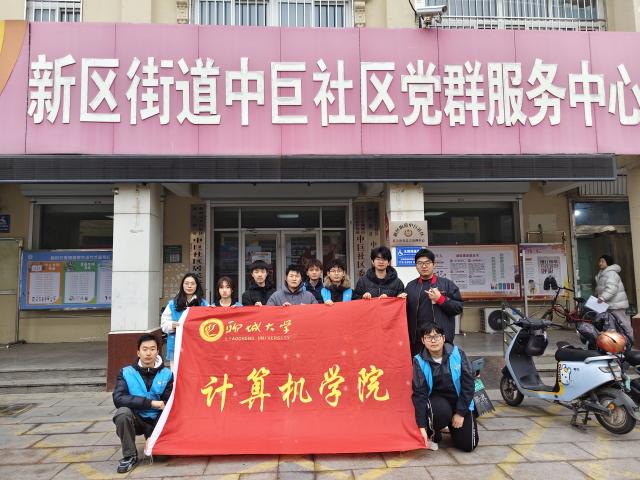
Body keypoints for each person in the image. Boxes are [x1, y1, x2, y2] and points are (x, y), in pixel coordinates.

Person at [412, 323, 478, 453]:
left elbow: (468, 384)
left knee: (468, 445)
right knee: (440, 410)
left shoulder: (458, 354)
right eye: (428, 337)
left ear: (443, 338)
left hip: (459, 401)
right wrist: (422, 427)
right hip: (437, 404)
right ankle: (434, 432)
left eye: (436, 336)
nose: (433, 340)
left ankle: (453, 426)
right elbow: (419, 394)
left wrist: (460, 413)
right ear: (423, 341)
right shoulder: (419, 361)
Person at [112, 334, 173, 473]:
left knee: (161, 458)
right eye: (145, 349)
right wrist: (150, 403)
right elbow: (119, 398)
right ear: (138, 352)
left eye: (152, 349)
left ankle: (153, 440)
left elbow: (167, 406)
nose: (148, 353)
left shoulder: (167, 374)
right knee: (122, 413)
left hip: (157, 421)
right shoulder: (126, 372)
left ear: (158, 352)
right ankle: (130, 456)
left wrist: (153, 435)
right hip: (136, 419)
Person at [405, 248, 464, 353]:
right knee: (418, 363)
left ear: (434, 264)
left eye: (427, 262)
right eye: (420, 263)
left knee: (440, 364)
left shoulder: (447, 284)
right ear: (416, 266)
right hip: (417, 341)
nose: (424, 266)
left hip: (440, 339)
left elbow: (458, 308)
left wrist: (440, 299)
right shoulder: (410, 286)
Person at [160, 273, 209, 366]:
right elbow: (164, 325)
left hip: (197, 346)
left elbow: (210, 323)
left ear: (197, 286)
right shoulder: (173, 304)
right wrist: (171, 325)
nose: (189, 286)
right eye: (186, 283)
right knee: (177, 372)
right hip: (176, 345)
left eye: (192, 283)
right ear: (182, 285)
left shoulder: (204, 304)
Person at [595, 254, 634, 345]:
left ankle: (630, 341)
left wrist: (602, 297)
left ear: (608, 263)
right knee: (610, 326)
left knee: (623, 324)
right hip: (608, 305)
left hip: (617, 304)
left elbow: (611, 288)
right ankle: (614, 344)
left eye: (602, 261)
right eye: (599, 261)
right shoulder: (602, 274)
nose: (600, 263)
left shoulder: (611, 274)